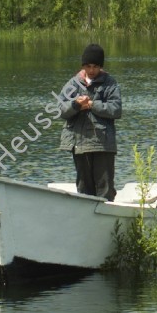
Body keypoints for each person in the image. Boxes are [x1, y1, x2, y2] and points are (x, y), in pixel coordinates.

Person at [58, 43, 122, 201]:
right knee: (84, 189)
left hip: (103, 143)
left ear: (100, 66)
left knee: (104, 187)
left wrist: (93, 104)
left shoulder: (110, 83)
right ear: (83, 66)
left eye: (95, 66)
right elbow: (61, 109)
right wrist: (76, 104)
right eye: (88, 66)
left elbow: (116, 109)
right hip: (80, 144)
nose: (91, 70)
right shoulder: (73, 84)